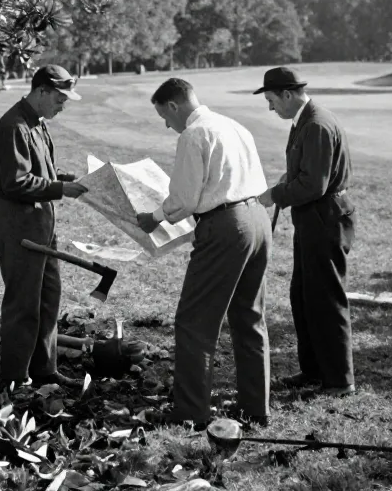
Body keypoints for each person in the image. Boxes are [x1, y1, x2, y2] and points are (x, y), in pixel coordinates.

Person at [135, 78, 272, 429]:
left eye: (164, 116)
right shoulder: (234, 126)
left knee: (194, 323)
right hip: (258, 219)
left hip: (225, 226)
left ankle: (191, 413)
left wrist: (154, 217)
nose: (167, 124)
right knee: (249, 317)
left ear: (174, 105)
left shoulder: (194, 134)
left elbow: (184, 199)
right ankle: (255, 408)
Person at [254, 66, 356, 397]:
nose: (271, 108)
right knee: (303, 296)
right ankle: (314, 371)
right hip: (311, 219)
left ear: (288, 94)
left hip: (324, 219)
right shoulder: (304, 120)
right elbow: (305, 172)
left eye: (271, 100)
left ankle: (339, 381)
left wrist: (275, 195)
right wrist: (286, 181)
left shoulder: (316, 124)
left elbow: (314, 184)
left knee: (325, 299)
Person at [0, 65, 88, 390]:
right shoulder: (13, 125)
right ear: (41, 91)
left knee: (48, 295)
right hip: (18, 221)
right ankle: (14, 379)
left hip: (41, 218)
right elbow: (15, 182)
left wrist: (63, 178)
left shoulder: (38, 123)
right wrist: (58, 189)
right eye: (59, 98)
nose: (63, 105)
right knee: (23, 301)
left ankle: (45, 370)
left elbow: (40, 169)